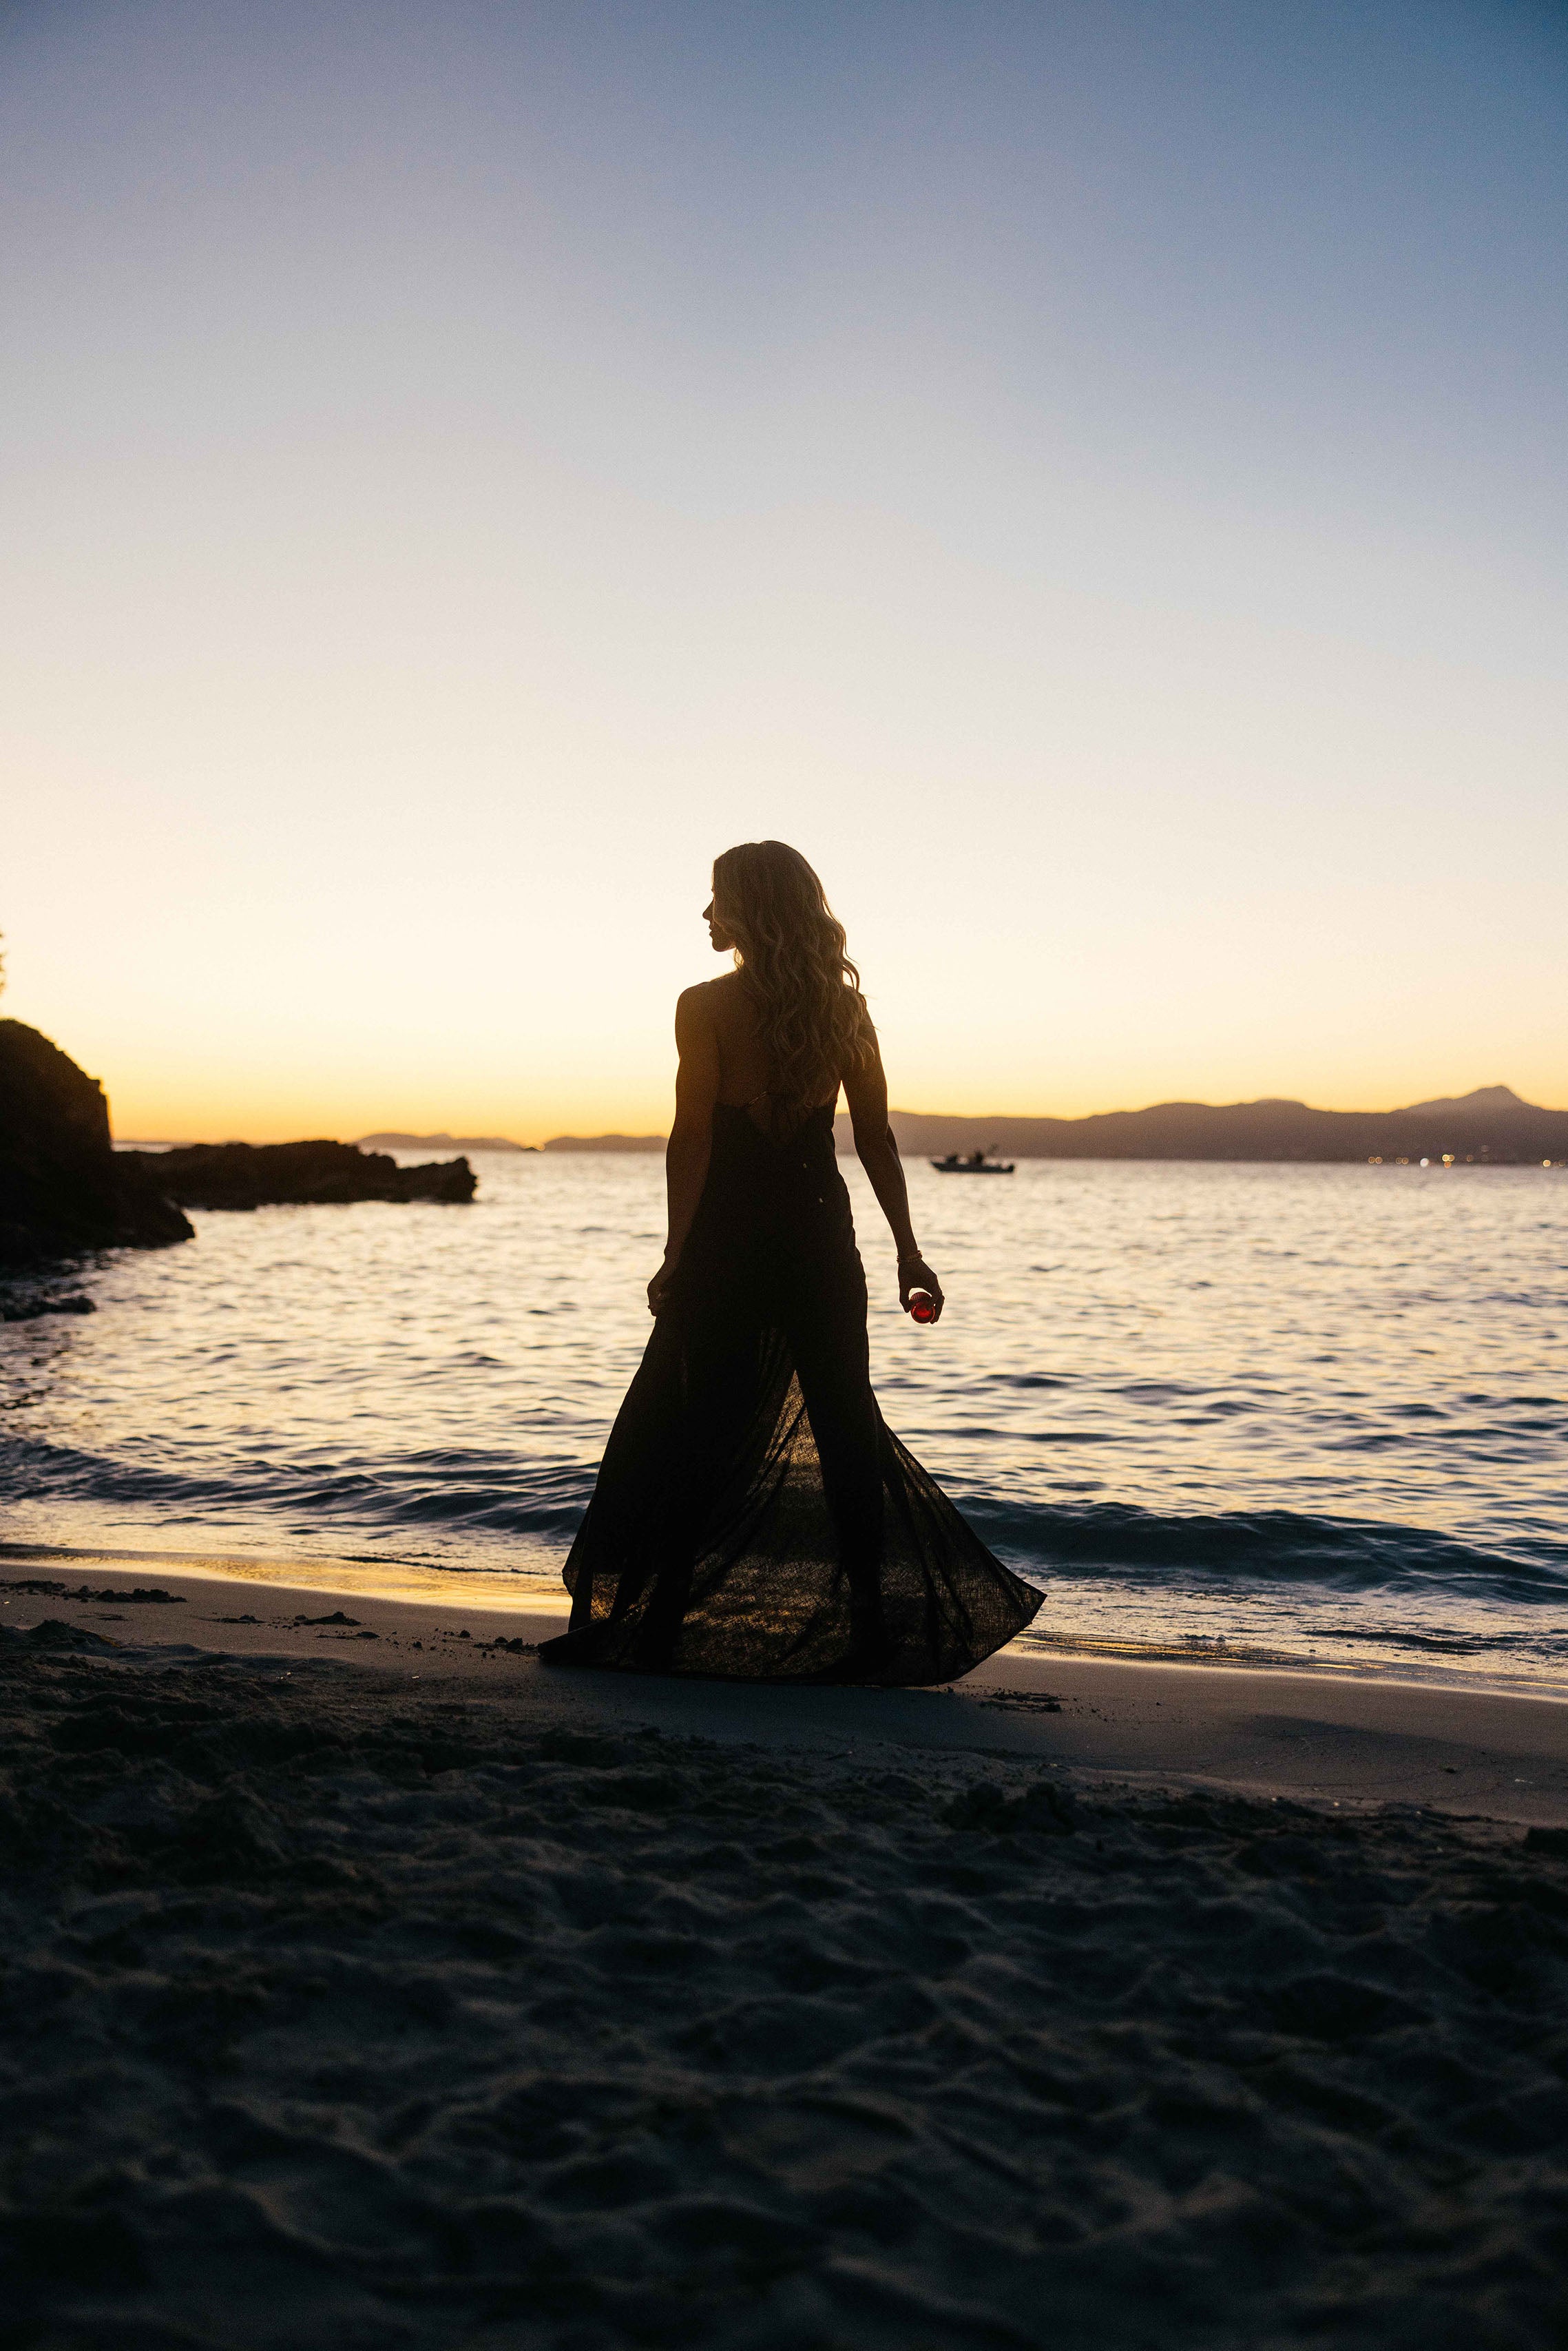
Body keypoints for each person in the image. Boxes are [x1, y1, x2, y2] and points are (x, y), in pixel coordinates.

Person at [540, 841, 1041, 1683]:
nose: (705, 917)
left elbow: (693, 1134)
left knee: (694, 1430)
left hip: (729, 1242)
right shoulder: (846, 1013)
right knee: (847, 1428)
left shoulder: (701, 1006)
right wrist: (908, 1252)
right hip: (817, 1236)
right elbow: (874, 1140)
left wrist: (675, 1250)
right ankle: (877, 1631)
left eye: (716, 901)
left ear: (749, 910)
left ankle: (657, 1628)